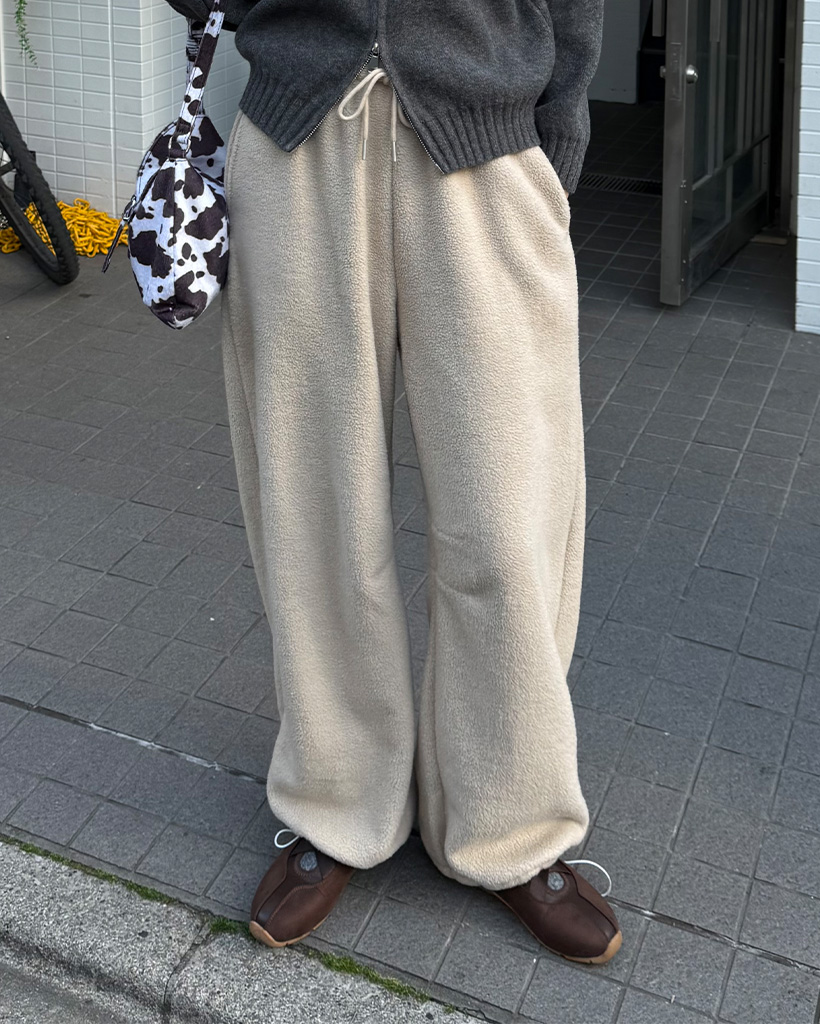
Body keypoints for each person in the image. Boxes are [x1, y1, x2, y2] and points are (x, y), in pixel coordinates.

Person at [165, 0, 621, 966]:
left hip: (488, 150)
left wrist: (553, 149)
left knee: (509, 516)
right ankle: (336, 804)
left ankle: (511, 823)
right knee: (313, 506)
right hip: (296, 145)